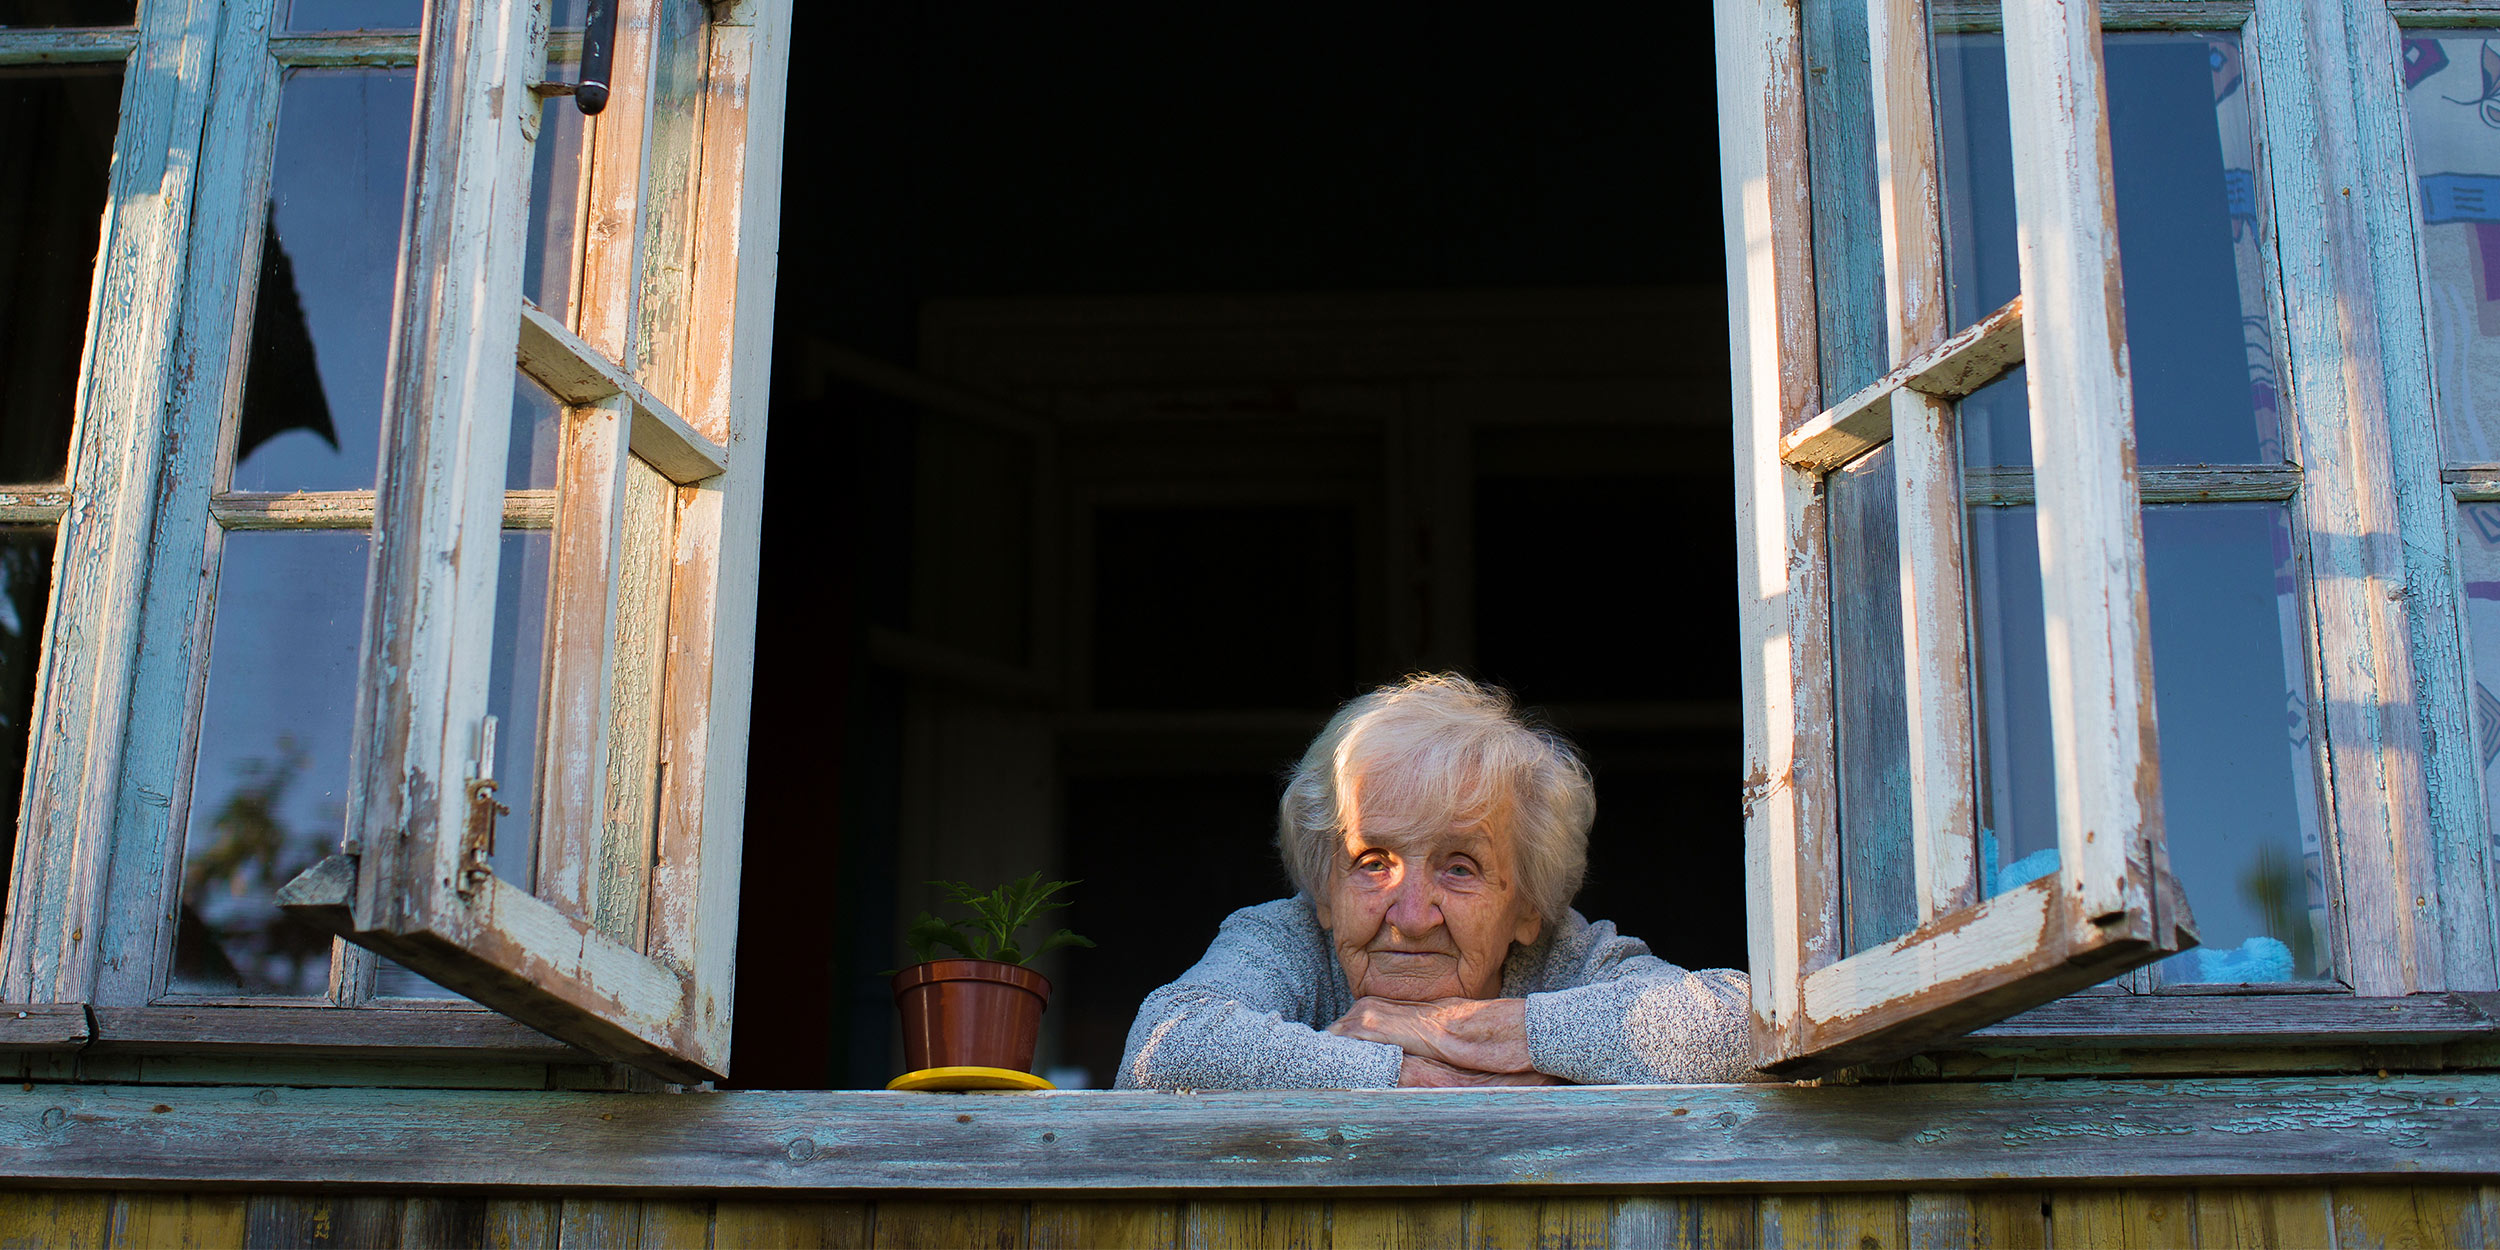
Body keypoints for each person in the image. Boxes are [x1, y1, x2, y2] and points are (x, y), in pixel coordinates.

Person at [1116, 673, 1764, 1089]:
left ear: (1528, 906)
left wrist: (1473, 1033)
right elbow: (1163, 1049)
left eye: (1459, 867)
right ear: (1325, 889)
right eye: (1373, 862)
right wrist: (1415, 1078)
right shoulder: (1282, 939)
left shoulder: (1567, 953)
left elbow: (1752, 1029)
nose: (1412, 914)